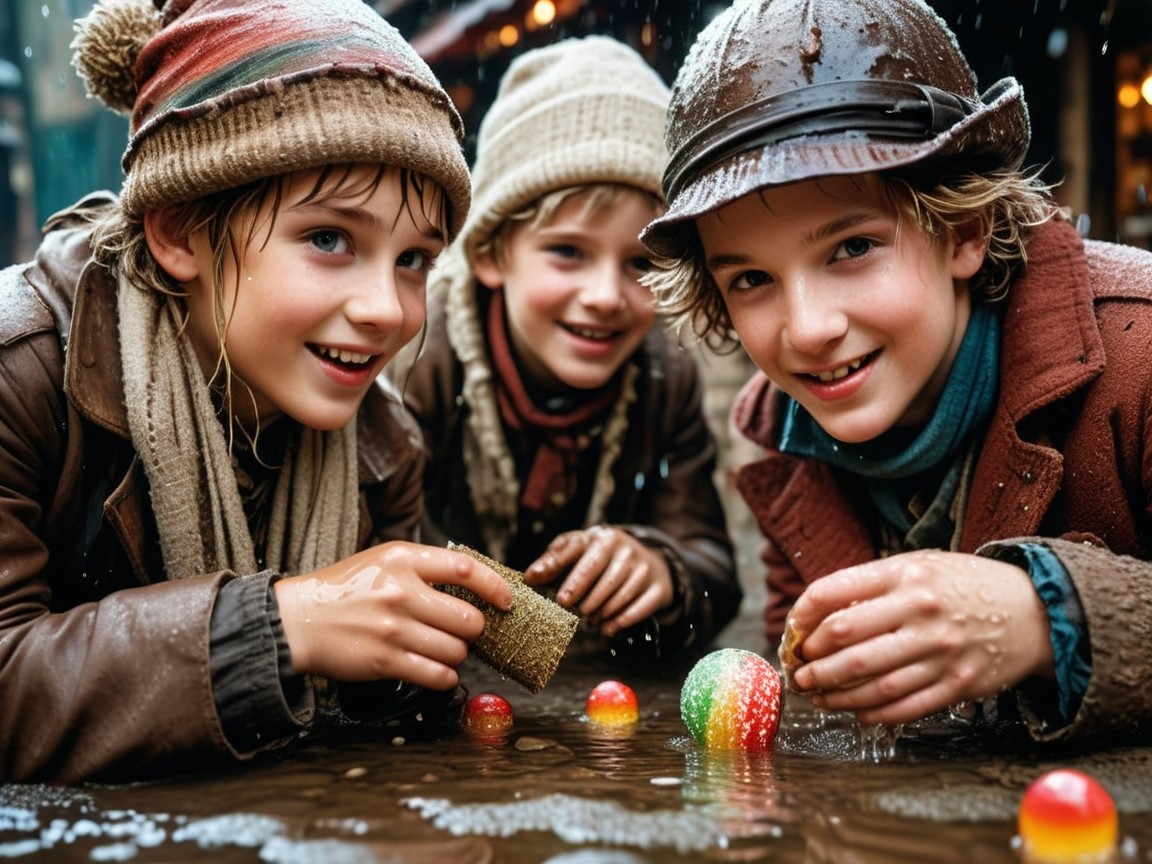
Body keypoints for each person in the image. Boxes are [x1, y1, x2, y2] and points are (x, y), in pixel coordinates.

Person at [0, 0, 517, 784]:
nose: (388, 309)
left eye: (414, 259)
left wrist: (408, 662)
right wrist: (282, 625)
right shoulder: (22, 370)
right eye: (330, 239)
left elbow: (382, 747)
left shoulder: (384, 448)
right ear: (177, 232)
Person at [641, 0, 1152, 744]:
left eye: (851, 248)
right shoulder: (784, 441)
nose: (809, 329)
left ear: (963, 230)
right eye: (751, 279)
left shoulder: (1140, 352)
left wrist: (1048, 618)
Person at [399, 36, 741, 662]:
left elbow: (715, 571)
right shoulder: (417, 362)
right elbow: (392, 556)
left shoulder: (665, 379)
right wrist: (543, 638)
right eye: (568, 252)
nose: (606, 295)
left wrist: (662, 574)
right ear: (490, 254)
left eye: (640, 261)